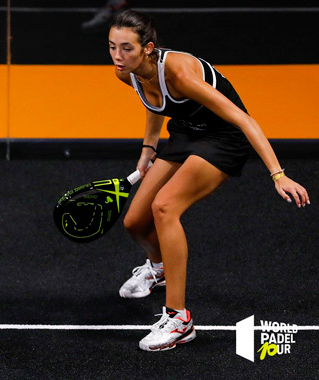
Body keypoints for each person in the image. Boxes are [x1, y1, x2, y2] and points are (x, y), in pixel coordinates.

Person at [107, 10, 310, 351]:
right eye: (112, 46)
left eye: (126, 48)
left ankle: (179, 320)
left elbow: (245, 120)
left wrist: (279, 174)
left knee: (165, 207)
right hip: (186, 133)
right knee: (134, 222)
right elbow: (154, 101)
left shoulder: (181, 74)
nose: (117, 55)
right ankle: (158, 267)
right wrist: (148, 146)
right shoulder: (127, 73)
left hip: (224, 139)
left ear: (148, 48)